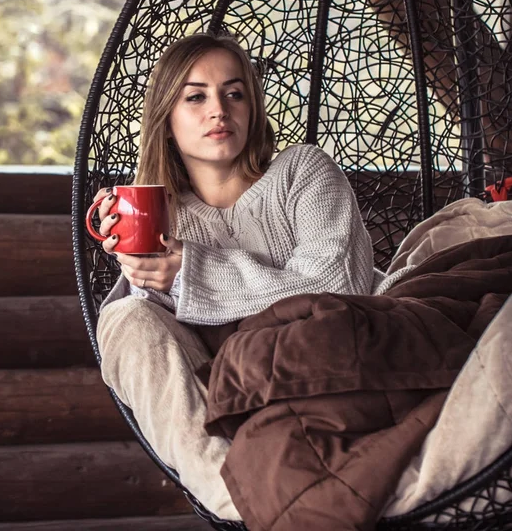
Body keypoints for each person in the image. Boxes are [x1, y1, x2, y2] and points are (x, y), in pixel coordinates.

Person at [92, 32, 411, 519]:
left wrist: (191, 269)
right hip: (239, 395)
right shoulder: (165, 215)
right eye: (195, 96)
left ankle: (266, 509)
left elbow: (336, 286)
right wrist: (138, 264)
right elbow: (156, 344)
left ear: (252, 108)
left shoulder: (302, 170)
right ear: (167, 119)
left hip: (349, 363)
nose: (219, 109)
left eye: (234, 93)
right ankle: (237, 501)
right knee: (125, 318)